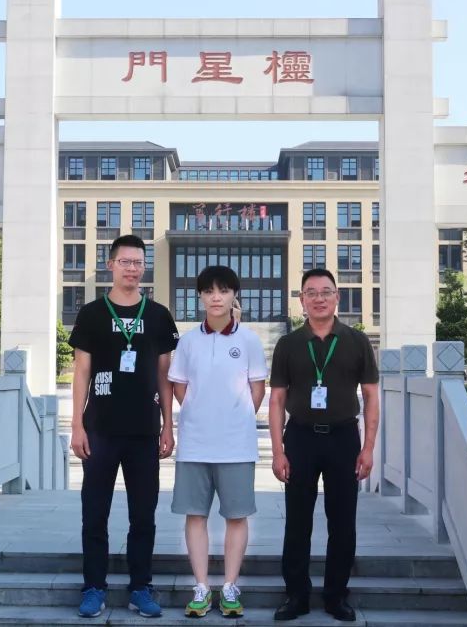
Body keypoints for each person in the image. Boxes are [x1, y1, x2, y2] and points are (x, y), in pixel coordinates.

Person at [69, 234, 179, 619]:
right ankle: (93, 587)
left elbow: (165, 376)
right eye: (125, 262)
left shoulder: (159, 316)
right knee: (94, 513)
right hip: (99, 429)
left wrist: (168, 426)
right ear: (111, 265)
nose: (132, 269)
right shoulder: (92, 314)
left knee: (143, 516)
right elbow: (81, 372)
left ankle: (140, 587)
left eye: (138, 263)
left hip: (144, 432)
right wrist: (77, 424)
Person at [268, 268, 380, 622]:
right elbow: (277, 400)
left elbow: (371, 396)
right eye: (312, 293)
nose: (319, 298)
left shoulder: (356, 341)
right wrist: (278, 451)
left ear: (337, 297)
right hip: (300, 437)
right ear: (302, 300)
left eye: (326, 292)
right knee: (297, 522)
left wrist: (368, 448)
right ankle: (296, 596)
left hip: (344, 438)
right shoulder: (288, 344)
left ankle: (336, 596)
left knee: (343, 522)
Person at [167, 266, 266, 618]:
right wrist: (200, 413)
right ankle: (201, 587)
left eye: (223, 290)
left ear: (234, 295)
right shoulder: (188, 341)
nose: (216, 297)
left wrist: (235, 416)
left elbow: (257, 389)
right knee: (195, 514)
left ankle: (229, 587)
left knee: (236, 516)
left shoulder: (249, 340)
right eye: (209, 291)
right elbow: (179, 386)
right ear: (200, 296)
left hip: (237, 445)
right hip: (195, 443)